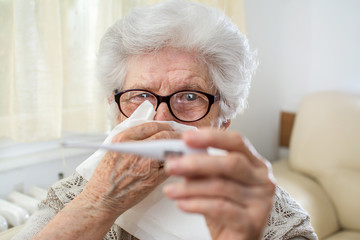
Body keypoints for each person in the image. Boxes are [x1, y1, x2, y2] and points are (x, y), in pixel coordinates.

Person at [13, 0, 318, 239]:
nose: (160, 119)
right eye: (140, 96)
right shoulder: (78, 192)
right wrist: (99, 202)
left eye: (189, 97)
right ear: (115, 108)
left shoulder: (269, 215)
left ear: (223, 119)